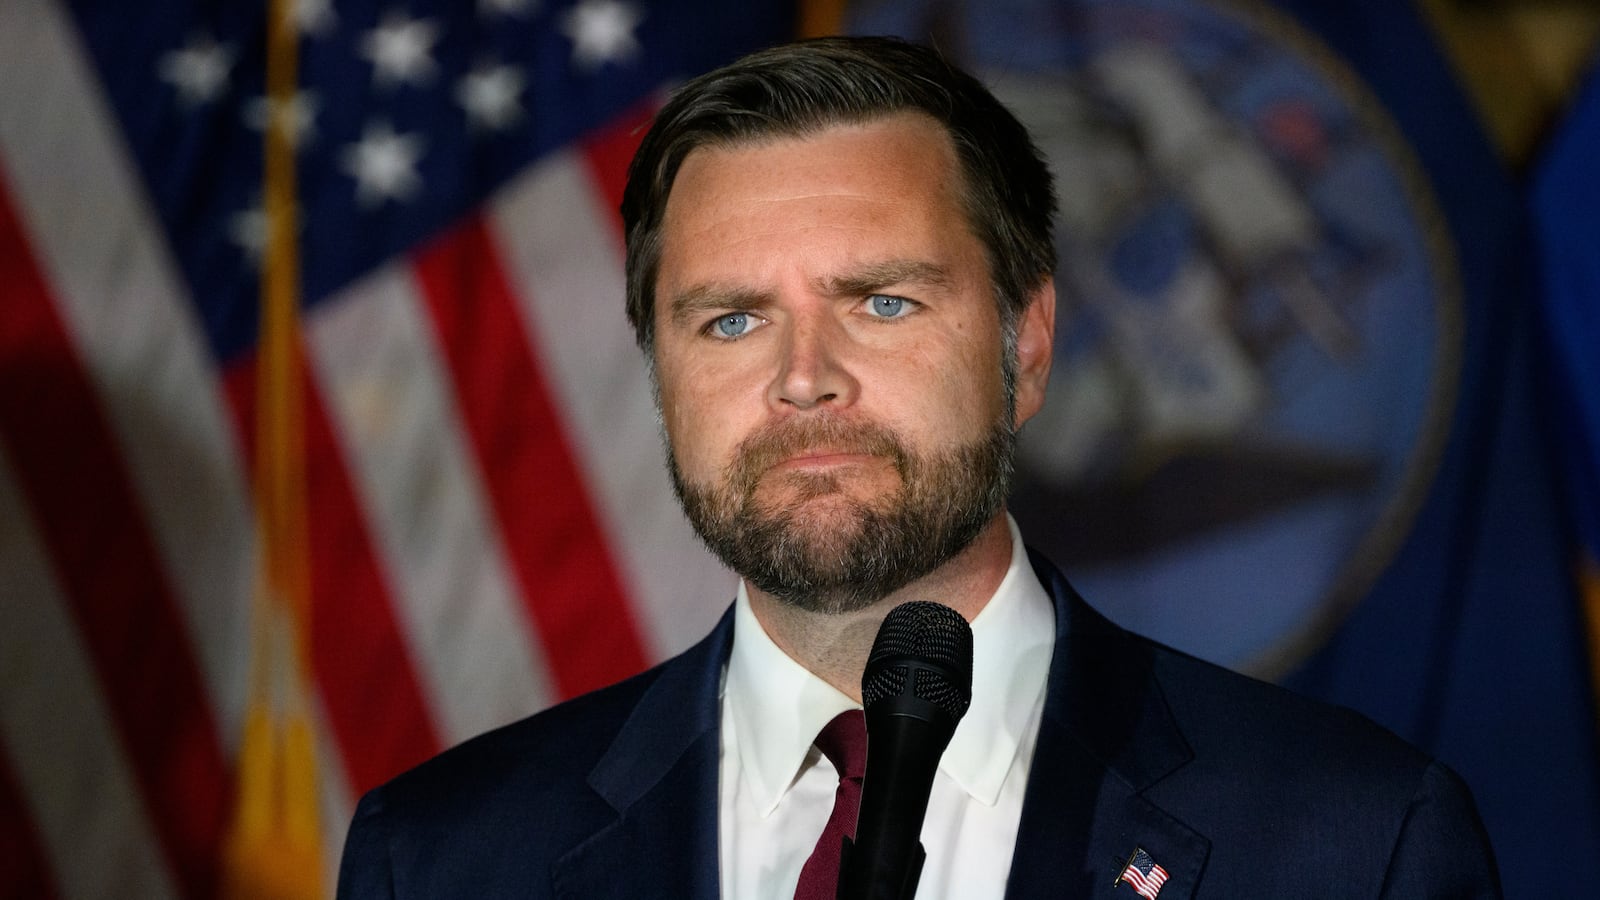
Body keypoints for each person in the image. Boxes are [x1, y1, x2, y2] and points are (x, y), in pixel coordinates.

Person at [336, 36, 1501, 899]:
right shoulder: (442, 859)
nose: (804, 378)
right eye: (731, 321)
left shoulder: (1355, 845)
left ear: (1025, 344)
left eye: (882, 302)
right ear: (659, 374)